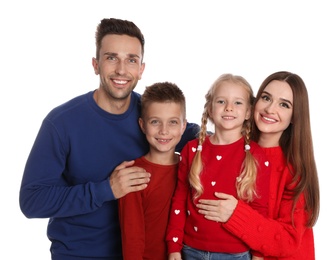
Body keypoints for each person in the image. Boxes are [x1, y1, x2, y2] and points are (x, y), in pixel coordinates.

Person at [19, 18, 199, 260]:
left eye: (131, 60)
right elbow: (32, 200)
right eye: (112, 57)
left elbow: (203, 137)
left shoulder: (152, 116)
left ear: (141, 69)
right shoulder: (62, 123)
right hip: (80, 254)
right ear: (96, 64)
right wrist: (106, 189)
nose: (122, 70)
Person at [196, 71, 320, 259]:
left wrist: (235, 214)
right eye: (266, 98)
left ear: (295, 116)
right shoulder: (230, 149)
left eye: (284, 104)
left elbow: (289, 240)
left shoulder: (294, 169)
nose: (270, 109)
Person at [166, 73, 270, 260]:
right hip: (191, 249)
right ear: (210, 109)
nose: (229, 108)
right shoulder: (192, 149)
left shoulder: (256, 156)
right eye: (221, 101)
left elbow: (260, 210)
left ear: (248, 112)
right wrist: (174, 246)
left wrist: (259, 255)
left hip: (236, 253)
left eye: (238, 103)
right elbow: (179, 200)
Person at [118, 81, 187, 260]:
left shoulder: (191, 167)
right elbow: (132, 239)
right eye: (155, 122)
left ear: (183, 126)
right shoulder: (134, 175)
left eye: (172, 122)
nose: (164, 131)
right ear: (142, 125)